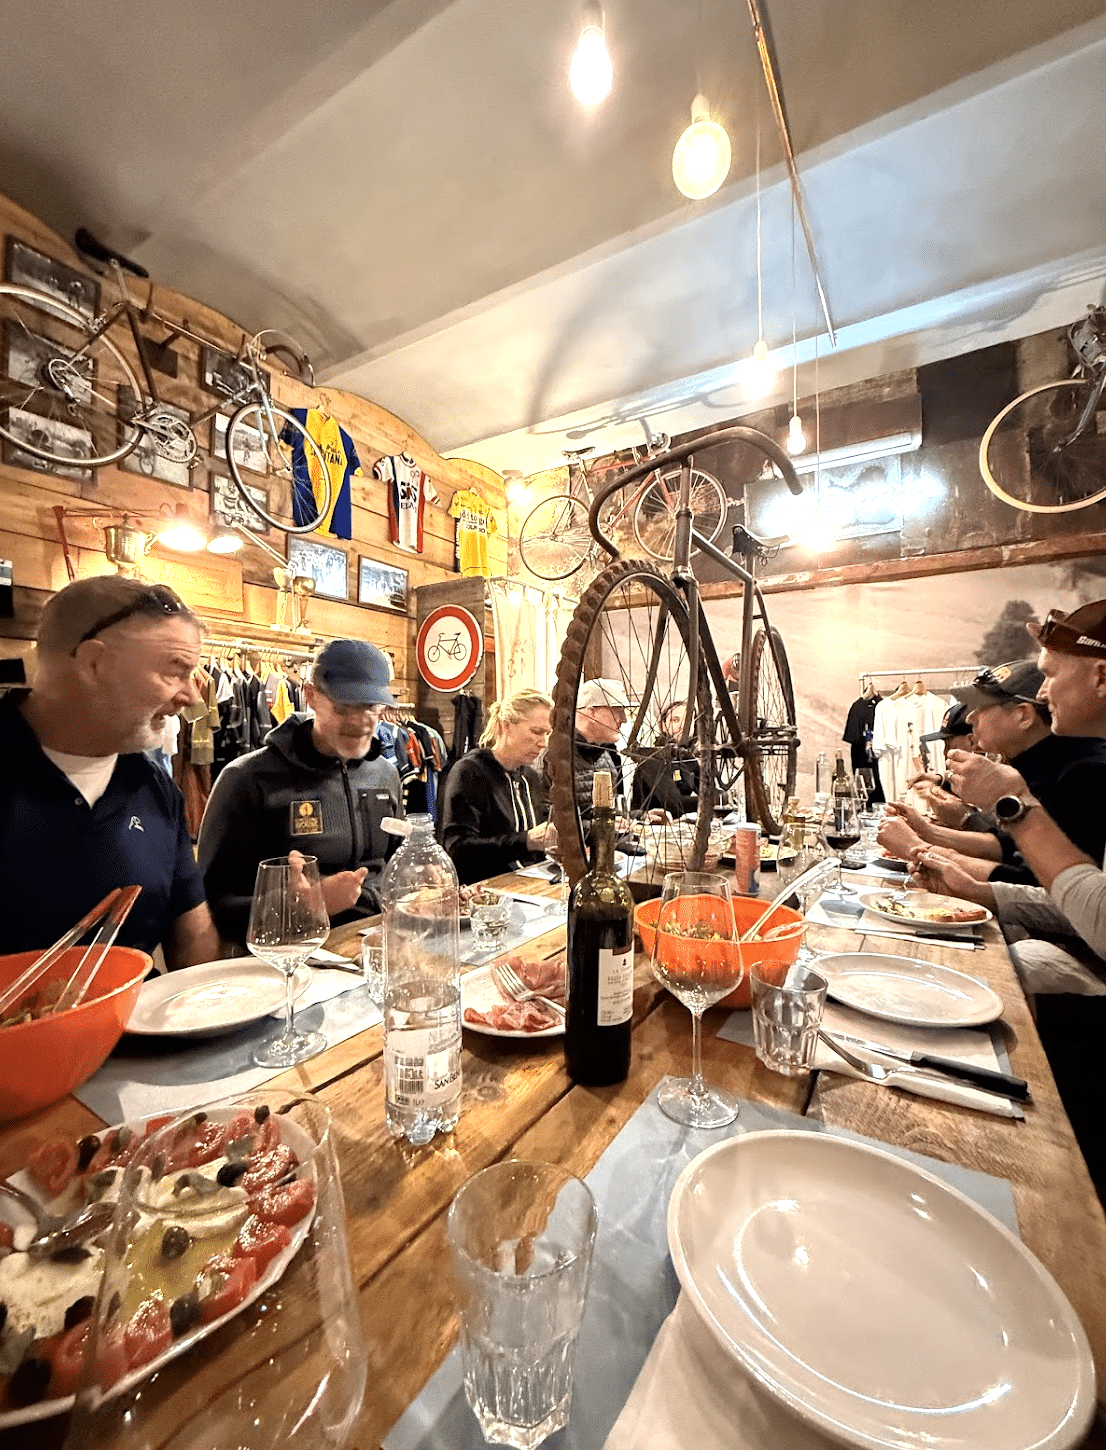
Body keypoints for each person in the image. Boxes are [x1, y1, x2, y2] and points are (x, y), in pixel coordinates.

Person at [0, 575, 220, 966]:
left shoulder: (155, 788)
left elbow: (193, 937)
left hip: (143, 1007)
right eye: (175, 671)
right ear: (94, 663)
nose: (191, 698)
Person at [909, 606, 1106, 994]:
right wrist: (951, 864)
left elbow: (1082, 910)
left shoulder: (1087, 771)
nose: (1043, 693)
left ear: (1101, 677)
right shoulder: (1058, 764)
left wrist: (1010, 803)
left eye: (1051, 674)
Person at [197, 638, 402, 945]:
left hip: (375, 947)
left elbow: (395, 863)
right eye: (345, 707)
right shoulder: (247, 779)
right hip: (289, 957)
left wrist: (420, 879)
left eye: (372, 707)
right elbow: (213, 906)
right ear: (311, 696)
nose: (361, 721)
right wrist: (304, 906)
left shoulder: (385, 773)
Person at [878, 660, 1106, 884]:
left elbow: (1035, 884)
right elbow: (1009, 846)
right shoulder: (1043, 763)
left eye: (982, 706)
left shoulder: (1084, 773)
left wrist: (917, 848)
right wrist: (927, 831)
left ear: (1023, 715)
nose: (970, 717)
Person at [440, 688, 554, 884]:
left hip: (531, 884)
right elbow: (458, 850)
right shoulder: (470, 772)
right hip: (487, 888)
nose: (543, 743)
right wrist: (526, 841)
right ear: (506, 726)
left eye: (547, 733)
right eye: (536, 732)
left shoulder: (531, 777)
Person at [573, 677, 632, 818]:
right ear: (592, 712)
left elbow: (609, 814)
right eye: (617, 711)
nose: (624, 719)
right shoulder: (556, 756)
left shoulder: (607, 755)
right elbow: (548, 818)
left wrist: (639, 817)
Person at [632, 700, 700, 818]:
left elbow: (706, 788)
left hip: (677, 824)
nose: (682, 726)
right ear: (663, 725)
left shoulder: (688, 759)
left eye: (688, 720)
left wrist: (724, 796)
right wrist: (715, 800)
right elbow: (675, 805)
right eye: (675, 720)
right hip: (650, 825)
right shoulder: (654, 759)